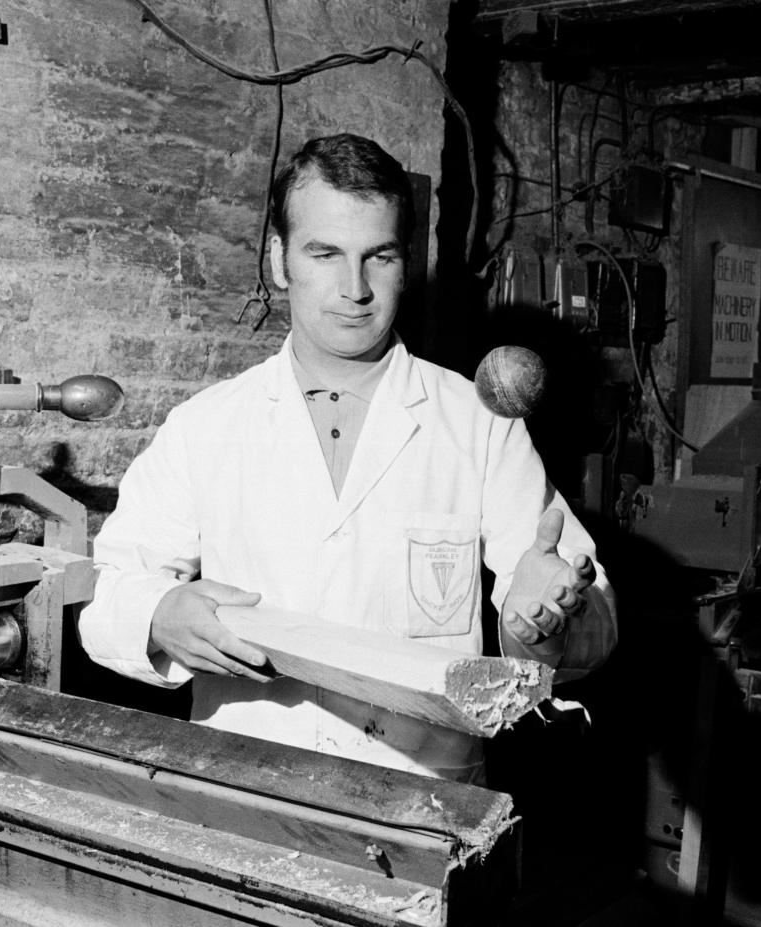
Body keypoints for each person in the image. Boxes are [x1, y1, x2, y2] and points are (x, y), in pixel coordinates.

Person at [78, 133, 617, 782]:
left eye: (379, 256)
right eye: (325, 252)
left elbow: (588, 613)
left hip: (418, 798)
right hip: (245, 788)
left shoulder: (478, 425)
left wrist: (544, 620)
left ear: (406, 264)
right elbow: (105, 590)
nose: (354, 287)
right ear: (280, 260)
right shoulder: (206, 428)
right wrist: (159, 615)